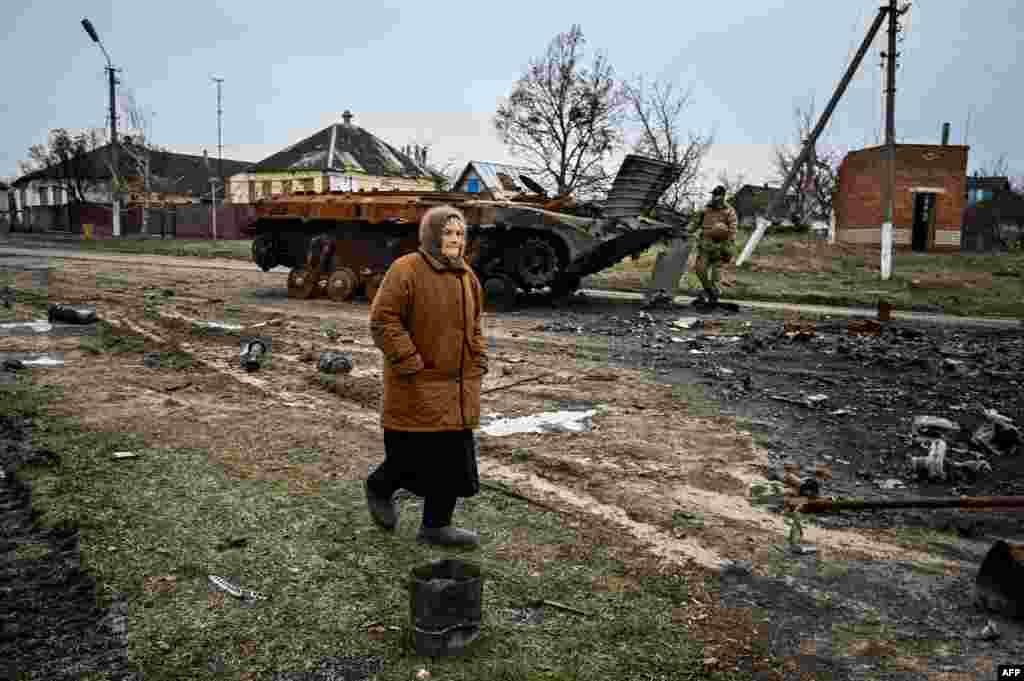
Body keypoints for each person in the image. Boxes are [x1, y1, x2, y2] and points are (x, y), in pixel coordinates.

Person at [365, 204, 489, 548]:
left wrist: (478, 356)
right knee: (410, 459)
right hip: (415, 384)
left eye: (460, 234)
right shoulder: (406, 269)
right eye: (448, 233)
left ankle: (436, 526)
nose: (455, 240)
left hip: (458, 387)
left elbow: (475, 324)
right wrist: (411, 362)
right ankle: (378, 487)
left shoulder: (468, 277)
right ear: (432, 235)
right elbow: (383, 321)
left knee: (453, 462)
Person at [691, 185, 738, 305]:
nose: (714, 197)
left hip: (720, 247)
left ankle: (712, 299)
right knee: (699, 269)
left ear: (723, 196)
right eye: (713, 195)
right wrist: (686, 231)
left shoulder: (729, 211)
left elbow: (732, 231)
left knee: (715, 276)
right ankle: (709, 290)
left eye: (717, 195)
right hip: (705, 245)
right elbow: (694, 224)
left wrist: (728, 248)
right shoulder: (706, 209)